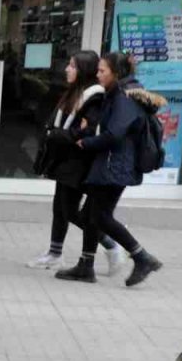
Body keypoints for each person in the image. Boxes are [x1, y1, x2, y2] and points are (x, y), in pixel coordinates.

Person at [56, 52, 163, 287]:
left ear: (116, 73)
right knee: (90, 215)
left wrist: (87, 142)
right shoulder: (118, 93)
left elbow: (114, 134)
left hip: (114, 166)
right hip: (110, 163)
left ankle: (142, 257)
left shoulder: (124, 98)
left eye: (102, 71)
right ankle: (86, 265)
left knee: (100, 216)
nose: (98, 74)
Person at [26, 51, 122, 274]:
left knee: (70, 210)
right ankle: (54, 253)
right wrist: (60, 133)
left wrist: (58, 134)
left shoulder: (95, 97)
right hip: (65, 158)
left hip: (79, 161)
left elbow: (87, 131)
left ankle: (110, 244)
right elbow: (71, 127)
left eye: (72, 66)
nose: (67, 69)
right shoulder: (74, 93)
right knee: (59, 207)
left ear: (83, 70)